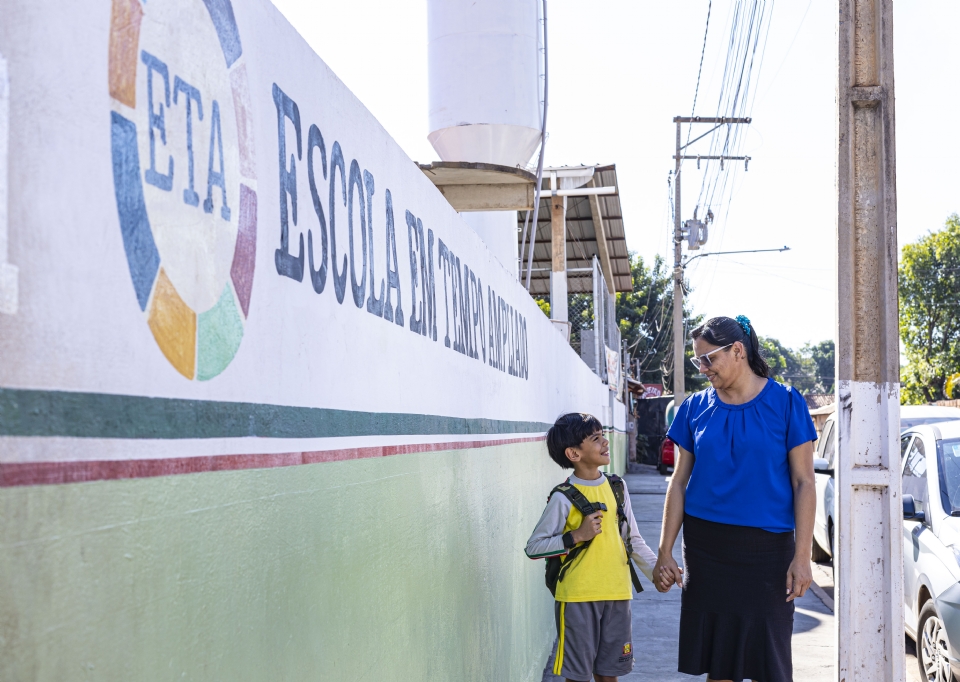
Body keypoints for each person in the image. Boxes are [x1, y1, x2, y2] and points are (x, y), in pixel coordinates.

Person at [653, 315, 818, 682]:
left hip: (767, 552)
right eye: (697, 360)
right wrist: (665, 550)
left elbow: (804, 482)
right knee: (721, 663)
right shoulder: (694, 408)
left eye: (708, 358)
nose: (702, 368)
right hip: (707, 551)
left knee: (769, 663)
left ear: (738, 351)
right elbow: (678, 482)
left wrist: (802, 556)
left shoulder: (787, 403)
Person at [525, 413, 659, 682]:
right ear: (574, 453)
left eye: (603, 435)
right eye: (595, 438)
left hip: (618, 594)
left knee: (609, 675)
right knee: (578, 677)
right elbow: (534, 547)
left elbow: (632, 540)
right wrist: (576, 536)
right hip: (577, 598)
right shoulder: (563, 497)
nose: (605, 442)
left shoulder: (617, 487)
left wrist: (656, 570)